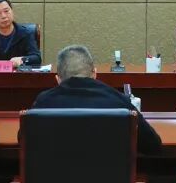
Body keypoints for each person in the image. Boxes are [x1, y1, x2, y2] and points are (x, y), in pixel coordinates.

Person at [32, 45, 162, 154]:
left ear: (58, 79)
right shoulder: (119, 101)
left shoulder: (43, 102)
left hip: (56, 177)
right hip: (111, 177)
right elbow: (153, 146)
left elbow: (27, 143)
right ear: (94, 73)